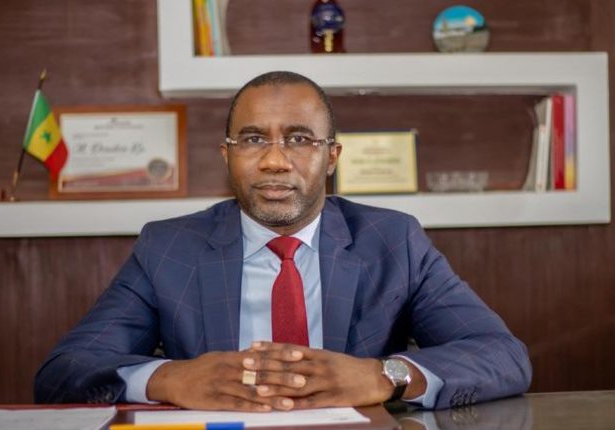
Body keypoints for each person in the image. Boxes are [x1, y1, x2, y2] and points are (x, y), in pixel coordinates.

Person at [34, 71, 531, 411]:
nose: (275, 161)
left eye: (299, 139)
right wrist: (170, 379)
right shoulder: (168, 247)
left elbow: (502, 355)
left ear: (331, 157)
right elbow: (64, 372)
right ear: (226, 156)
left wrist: (383, 376)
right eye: (253, 140)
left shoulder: (392, 241)